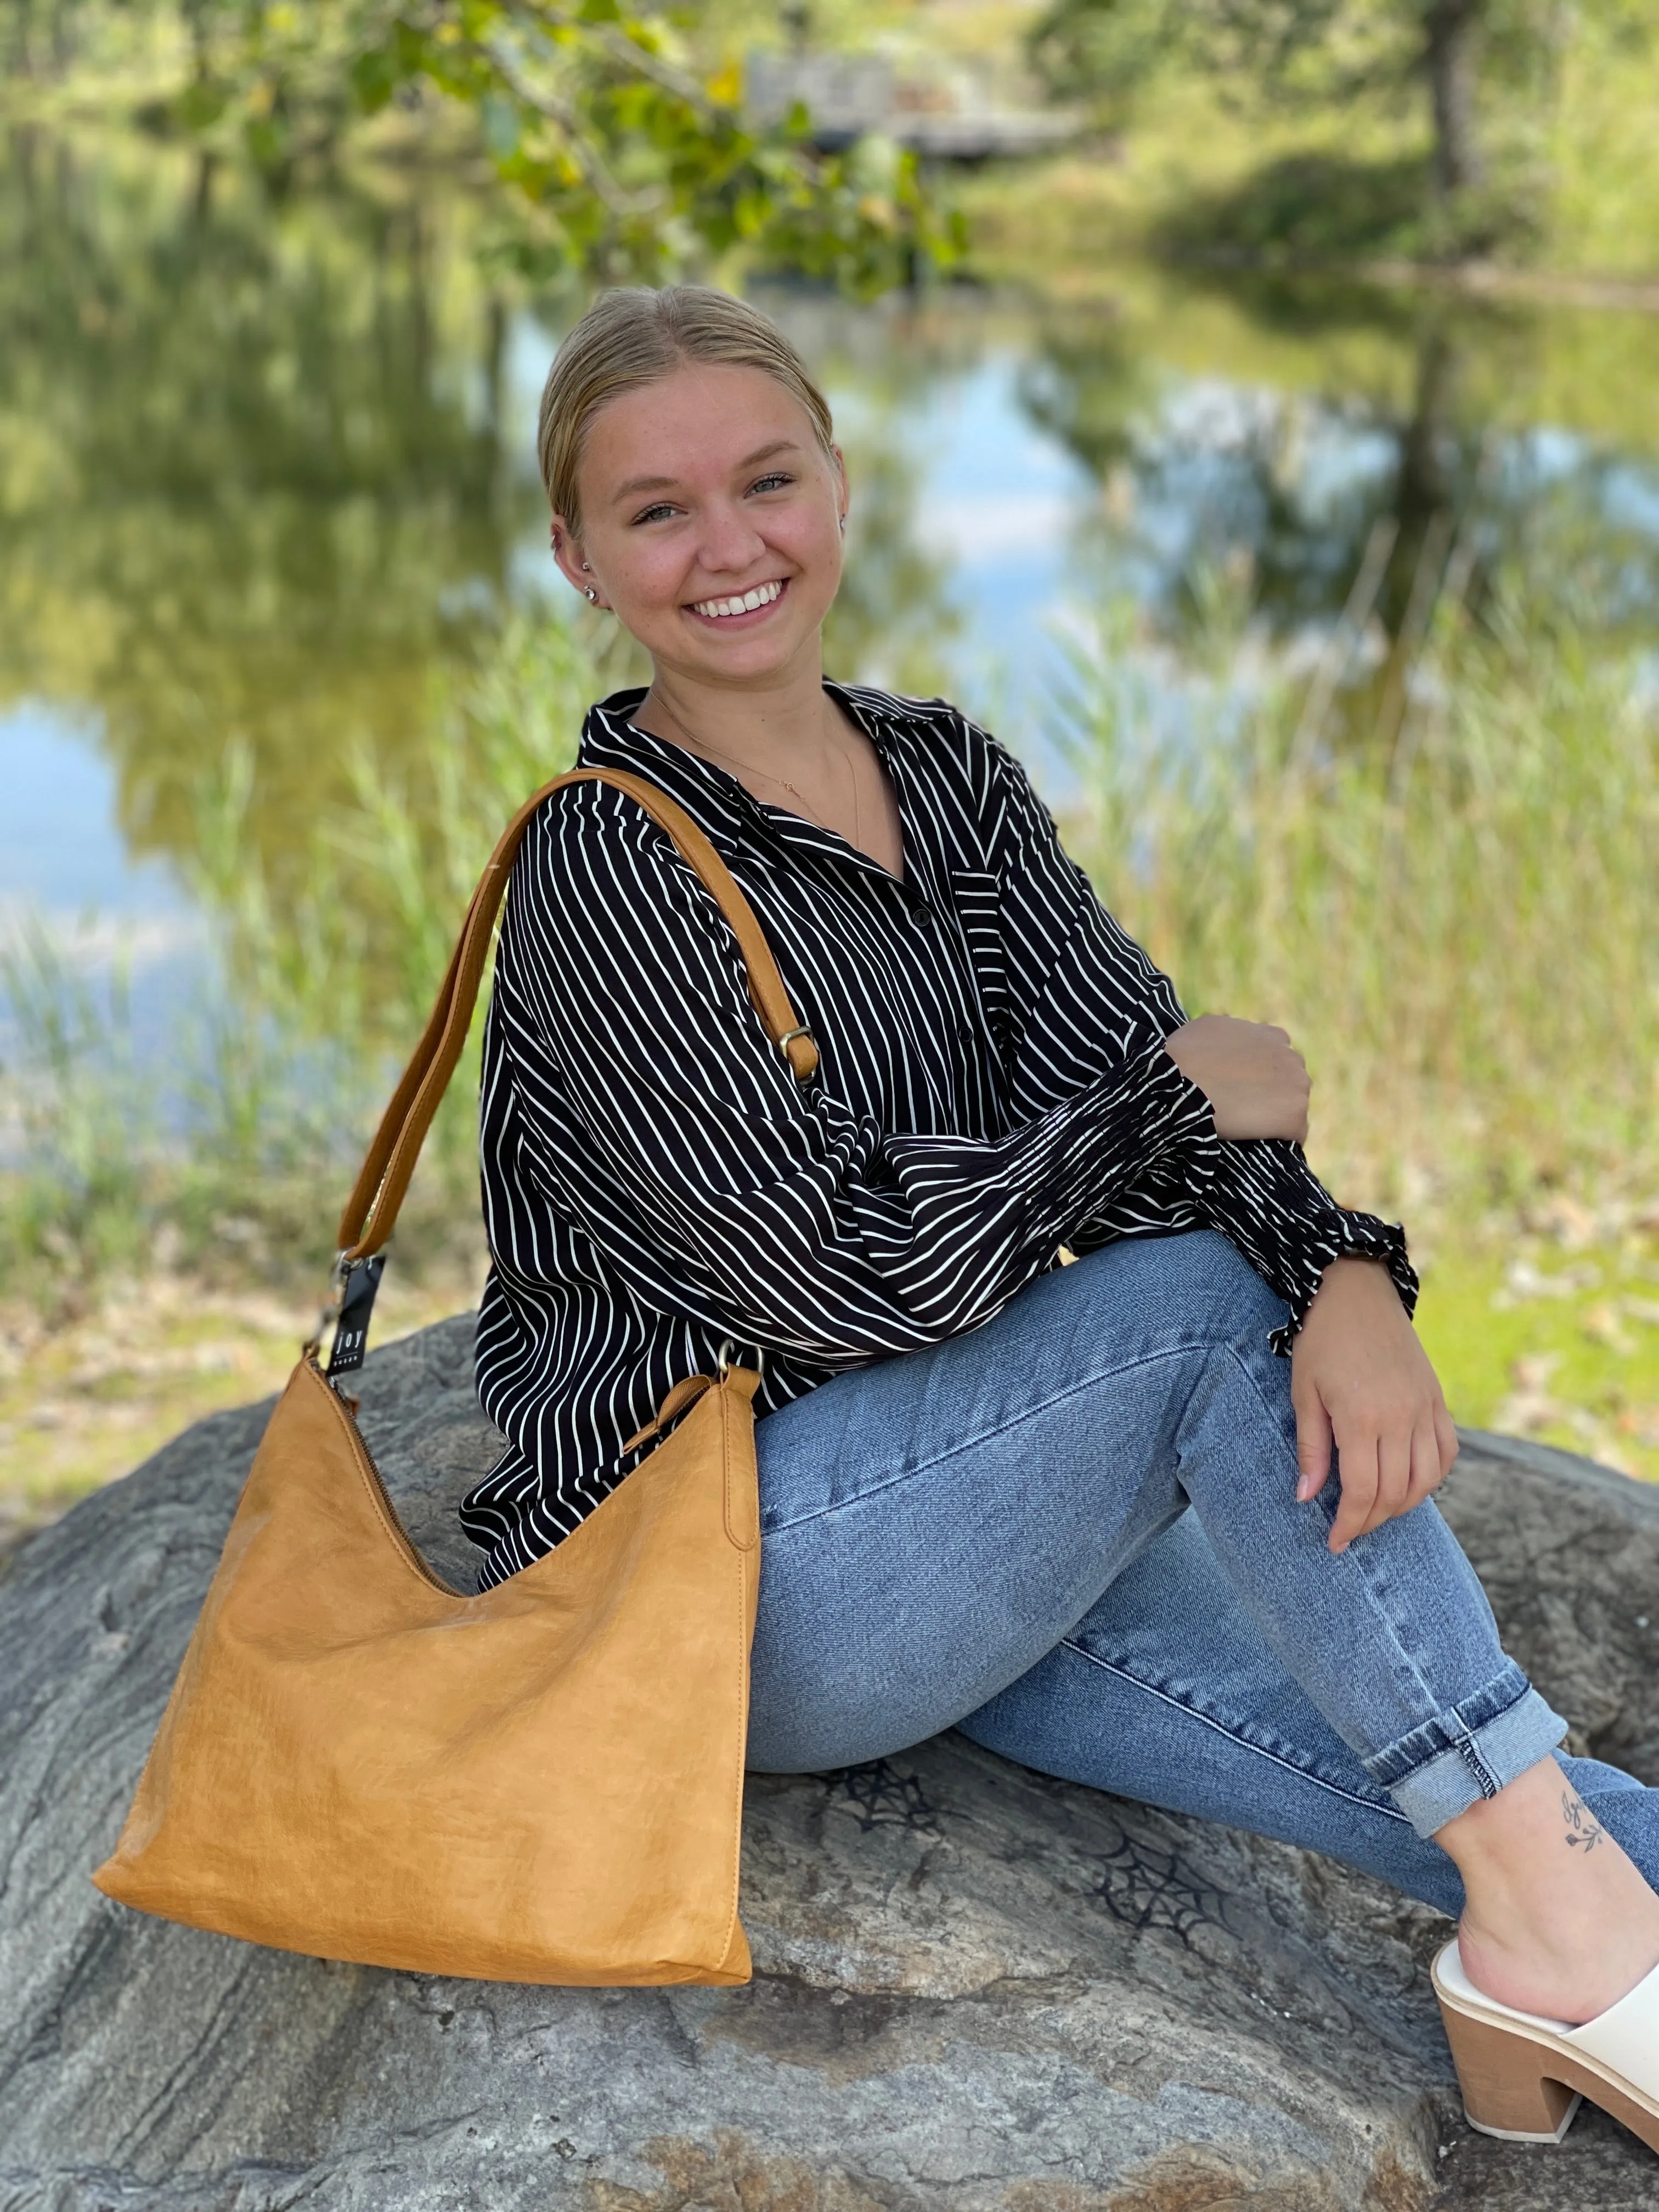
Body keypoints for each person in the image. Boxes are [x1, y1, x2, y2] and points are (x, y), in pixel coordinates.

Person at [467, 283, 1659, 2146]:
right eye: (657, 510)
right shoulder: (603, 871)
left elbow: (1138, 1064)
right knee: (1193, 1316)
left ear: (842, 492)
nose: (731, 546)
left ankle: (1562, 1947)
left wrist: (1339, 1270)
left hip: (966, 1539)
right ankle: (1571, 1963)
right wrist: (1190, 1148)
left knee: (1471, 1775)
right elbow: (840, 1277)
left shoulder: (944, 773)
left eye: (768, 480)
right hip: (726, 1580)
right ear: (577, 556)